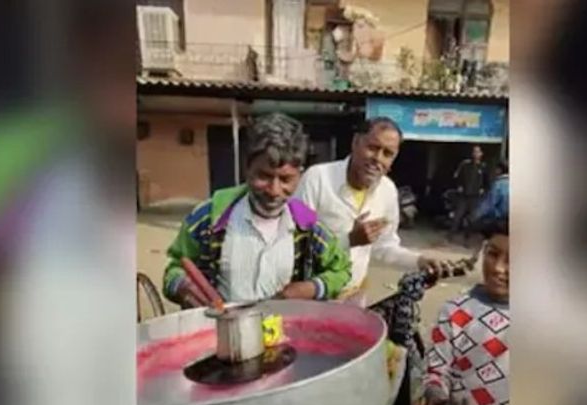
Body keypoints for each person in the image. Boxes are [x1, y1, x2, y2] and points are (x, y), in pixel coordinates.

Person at [163, 113, 352, 307]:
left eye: (286, 179)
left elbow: (341, 270)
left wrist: (311, 288)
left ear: (300, 175)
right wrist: (182, 286)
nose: (274, 191)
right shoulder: (208, 218)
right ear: (247, 167)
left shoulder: (308, 226)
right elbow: (174, 269)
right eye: (263, 176)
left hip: (284, 333)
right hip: (219, 332)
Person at [296, 117, 444, 307]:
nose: (378, 159)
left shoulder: (388, 191)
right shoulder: (316, 179)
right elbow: (297, 246)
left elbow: (384, 248)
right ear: (355, 142)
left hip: (354, 297)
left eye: (387, 154)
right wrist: (350, 240)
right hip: (312, 297)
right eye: (373, 148)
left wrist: (419, 261)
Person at [422, 218, 509, 405]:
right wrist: (438, 397)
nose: (499, 268)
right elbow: (436, 370)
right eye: (492, 254)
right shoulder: (456, 312)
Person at [448, 145, 489, 246]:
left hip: (475, 197)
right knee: (458, 216)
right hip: (463, 195)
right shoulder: (465, 165)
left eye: (478, 152)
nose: (475, 154)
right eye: (474, 152)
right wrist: (459, 186)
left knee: (471, 219)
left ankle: (467, 239)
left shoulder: (483, 167)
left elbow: (487, 182)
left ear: (481, 154)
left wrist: (483, 190)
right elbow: (457, 177)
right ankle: (450, 236)